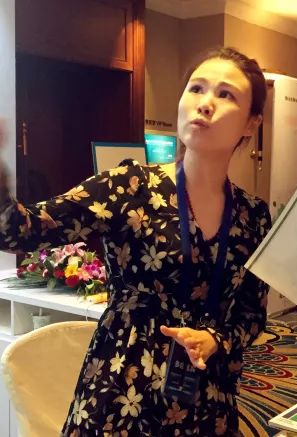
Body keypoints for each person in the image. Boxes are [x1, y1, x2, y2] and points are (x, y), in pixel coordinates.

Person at [0, 47, 271, 436]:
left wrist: (216, 339)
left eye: (225, 94)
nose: (205, 103)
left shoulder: (252, 215)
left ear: (251, 122)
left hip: (206, 397)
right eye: (196, 88)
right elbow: (18, 231)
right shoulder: (129, 188)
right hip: (121, 391)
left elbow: (251, 314)